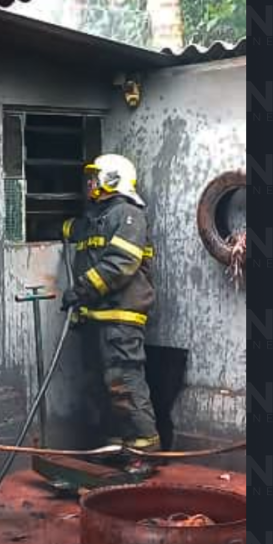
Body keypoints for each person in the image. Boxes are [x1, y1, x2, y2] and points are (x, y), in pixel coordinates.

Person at [60, 154, 160, 457]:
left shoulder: (128, 214)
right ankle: (118, 444)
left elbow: (122, 263)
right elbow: (74, 233)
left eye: (95, 178)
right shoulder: (97, 219)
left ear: (111, 179)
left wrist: (80, 290)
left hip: (121, 318)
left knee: (124, 382)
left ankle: (145, 451)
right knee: (104, 386)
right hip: (98, 318)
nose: (89, 184)